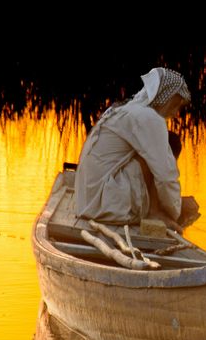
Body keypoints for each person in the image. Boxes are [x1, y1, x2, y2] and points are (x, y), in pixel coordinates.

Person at [73, 67, 196, 231]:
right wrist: (176, 211)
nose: (174, 113)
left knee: (161, 146)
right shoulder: (148, 118)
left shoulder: (124, 109)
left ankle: (156, 209)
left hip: (87, 202)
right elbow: (166, 176)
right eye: (175, 105)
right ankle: (155, 211)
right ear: (165, 97)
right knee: (160, 151)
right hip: (106, 207)